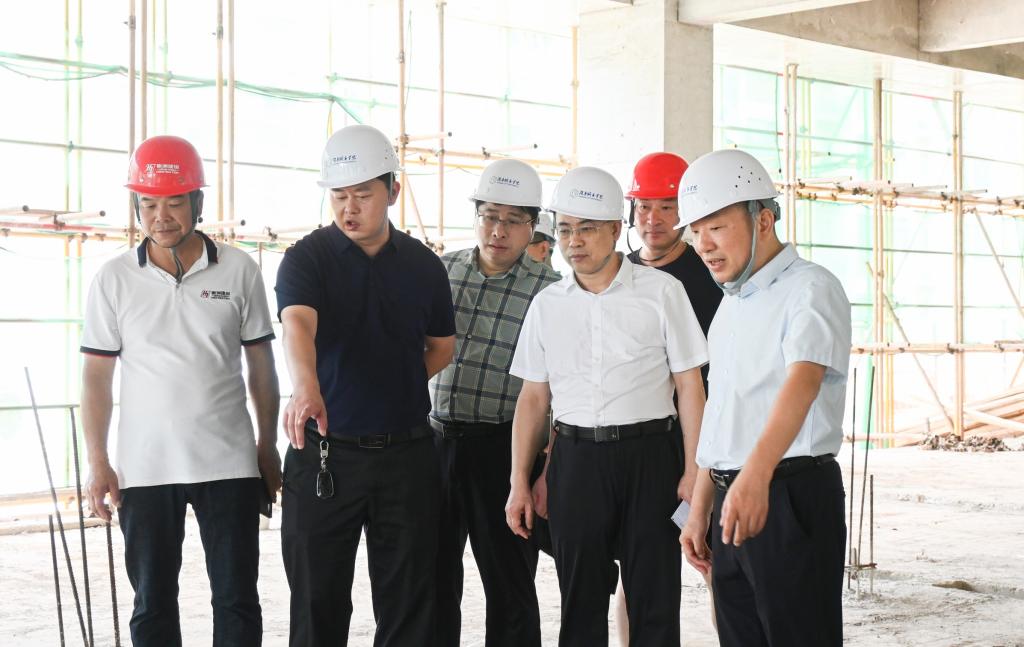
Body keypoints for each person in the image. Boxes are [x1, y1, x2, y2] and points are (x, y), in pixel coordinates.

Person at [81, 135, 280, 646]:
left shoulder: (238, 269)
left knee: (237, 600)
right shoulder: (113, 279)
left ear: (197, 202)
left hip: (229, 462)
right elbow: (97, 378)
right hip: (145, 467)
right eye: (149, 204)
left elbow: (261, 367)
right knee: (152, 604)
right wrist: (99, 460)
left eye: (174, 203)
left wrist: (266, 445)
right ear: (137, 206)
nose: (161, 217)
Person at [506, 166, 708, 647]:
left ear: (617, 229)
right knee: (580, 602)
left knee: (654, 599)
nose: (573, 241)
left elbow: (690, 387)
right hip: (576, 463)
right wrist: (519, 481)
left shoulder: (663, 292)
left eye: (587, 228)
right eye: (565, 229)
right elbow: (534, 399)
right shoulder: (548, 304)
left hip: (651, 459)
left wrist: (693, 470)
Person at [275, 123, 456, 647]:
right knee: (317, 600)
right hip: (325, 455)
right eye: (338, 196)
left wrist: (392, 382)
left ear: (393, 191)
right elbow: (297, 324)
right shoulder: (307, 258)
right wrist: (306, 388)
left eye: (362, 195)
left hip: (407, 459)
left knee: (408, 604)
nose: (348, 208)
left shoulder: (423, 266)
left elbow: (441, 347)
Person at [676, 148, 852, 647]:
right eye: (696, 232)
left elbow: (803, 383)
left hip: (788, 495)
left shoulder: (811, 288)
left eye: (716, 227)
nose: (703, 245)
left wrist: (756, 475)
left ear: (764, 220)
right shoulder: (731, 304)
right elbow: (722, 412)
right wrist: (701, 506)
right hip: (733, 497)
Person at [430, 158, 561, 647]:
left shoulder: (550, 292)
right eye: (489, 216)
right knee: (431, 579)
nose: (498, 230)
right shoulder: (441, 272)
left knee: (509, 585)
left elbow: (560, 390)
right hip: (435, 443)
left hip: (505, 450)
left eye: (513, 220)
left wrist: (542, 469)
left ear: (533, 227)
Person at [615, 151, 723, 644]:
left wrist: (700, 463)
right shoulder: (618, 273)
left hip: (707, 439)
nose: (653, 219)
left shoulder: (710, 274)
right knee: (636, 569)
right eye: (644, 207)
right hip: (642, 445)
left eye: (666, 207)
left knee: (715, 563)